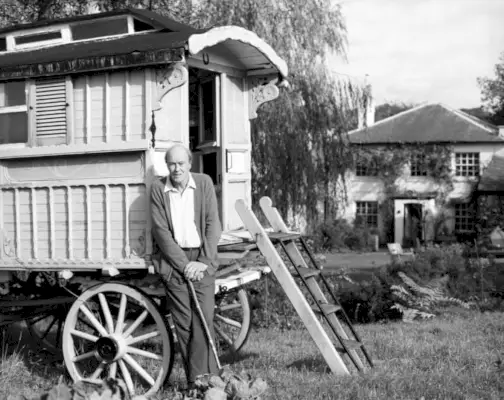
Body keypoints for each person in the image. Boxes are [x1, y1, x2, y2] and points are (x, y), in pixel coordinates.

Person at [150, 144, 222, 386]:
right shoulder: (159, 189)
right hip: (174, 264)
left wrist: (201, 263)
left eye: (181, 163)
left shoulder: (203, 183)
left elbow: (213, 225)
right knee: (184, 324)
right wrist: (184, 265)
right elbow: (161, 233)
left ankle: (205, 379)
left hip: (202, 260)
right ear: (167, 165)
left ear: (190, 163)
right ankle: (199, 381)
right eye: (172, 163)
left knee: (204, 320)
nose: (176, 168)